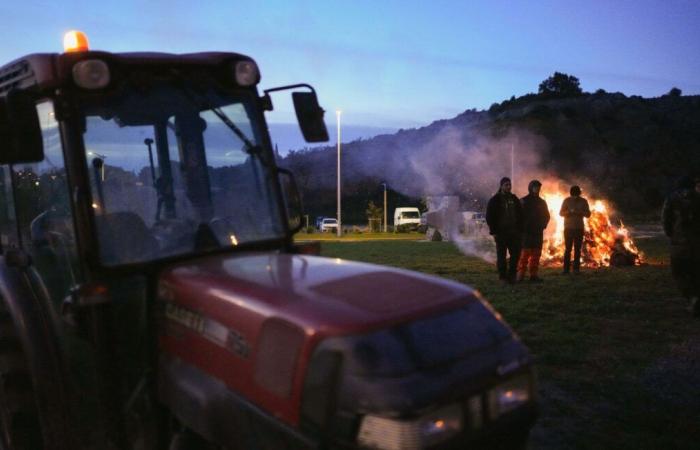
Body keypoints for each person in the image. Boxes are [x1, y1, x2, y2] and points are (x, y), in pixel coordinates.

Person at [662, 175, 700, 317]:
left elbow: (666, 220)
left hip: (680, 244)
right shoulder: (698, 198)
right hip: (697, 244)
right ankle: (696, 298)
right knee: (696, 272)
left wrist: (672, 235)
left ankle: (692, 298)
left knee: (679, 273)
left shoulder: (672, 199)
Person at [486, 177, 523, 283]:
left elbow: (520, 215)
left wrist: (520, 229)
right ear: (501, 186)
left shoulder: (514, 199)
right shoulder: (495, 200)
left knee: (515, 254)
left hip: (514, 232)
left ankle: (512, 275)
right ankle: (503, 276)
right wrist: (494, 231)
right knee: (501, 256)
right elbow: (489, 217)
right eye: (506, 185)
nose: (508, 187)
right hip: (501, 233)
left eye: (509, 185)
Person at [518, 180, 550, 282]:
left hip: (537, 232)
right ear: (530, 187)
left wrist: (543, 225)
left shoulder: (542, 202)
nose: (537, 189)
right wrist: (521, 227)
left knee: (536, 255)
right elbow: (517, 216)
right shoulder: (523, 201)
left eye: (538, 187)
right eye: (535, 187)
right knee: (524, 255)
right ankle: (520, 275)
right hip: (526, 232)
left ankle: (533, 275)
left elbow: (547, 216)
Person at [559, 185, 591, 274]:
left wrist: (579, 212)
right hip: (568, 228)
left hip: (579, 228)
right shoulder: (566, 201)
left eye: (576, 195)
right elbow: (561, 213)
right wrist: (569, 212)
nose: (575, 197)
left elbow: (588, 214)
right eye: (573, 195)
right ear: (571, 193)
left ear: (579, 194)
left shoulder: (583, 201)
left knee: (577, 249)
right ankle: (566, 270)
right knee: (568, 249)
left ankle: (576, 270)